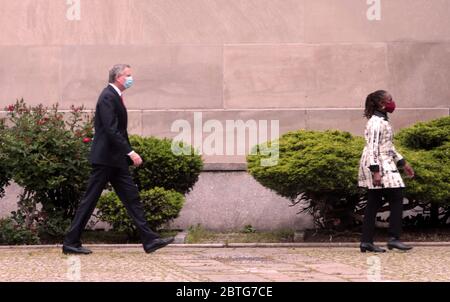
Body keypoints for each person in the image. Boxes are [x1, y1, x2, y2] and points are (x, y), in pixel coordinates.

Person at [63, 64, 174, 254]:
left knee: (132, 198)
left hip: (115, 160)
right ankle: (71, 242)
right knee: (90, 200)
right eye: (128, 75)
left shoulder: (115, 96)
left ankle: (149, 240)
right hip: (106, 159)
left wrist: (126, 153)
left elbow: (119, 130)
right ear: (118, 77)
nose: (131, 79)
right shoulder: (107, 96)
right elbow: (111, 130)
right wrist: (130, 152)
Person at [358, 90, 414, 253]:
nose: (392, 102)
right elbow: (372, 148)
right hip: (378, 163)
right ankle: (393, 239)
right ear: (381, 104)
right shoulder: (376, 122)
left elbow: (388, 146)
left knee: (374, 201)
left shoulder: (382, 121)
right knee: (397, 194)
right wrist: (376, 171)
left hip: (385, 160)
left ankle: (366, 242)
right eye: (390, 100)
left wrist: (403, 163)